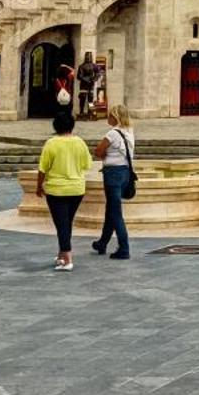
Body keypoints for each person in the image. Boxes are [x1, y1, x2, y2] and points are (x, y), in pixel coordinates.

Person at [36, 112, 92, 272]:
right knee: (66, 222)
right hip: (76, 188)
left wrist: (38, 186)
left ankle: (67, 258)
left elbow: (42, 168)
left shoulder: (51, 144)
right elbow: (86, 164)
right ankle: (61, 253)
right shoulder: (80, 142)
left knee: (61, 224)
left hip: (57, 189)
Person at [90, 104, 134, 260]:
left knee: (115, 213)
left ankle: (124, 248)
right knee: (111, 209)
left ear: (115, 117)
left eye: (109, 115)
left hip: (113, 174)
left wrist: (105, 156)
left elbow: (98, 151)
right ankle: (102, 242)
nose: (107, 117)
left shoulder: (112, 133)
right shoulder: (129, 132)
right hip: (125, 173)